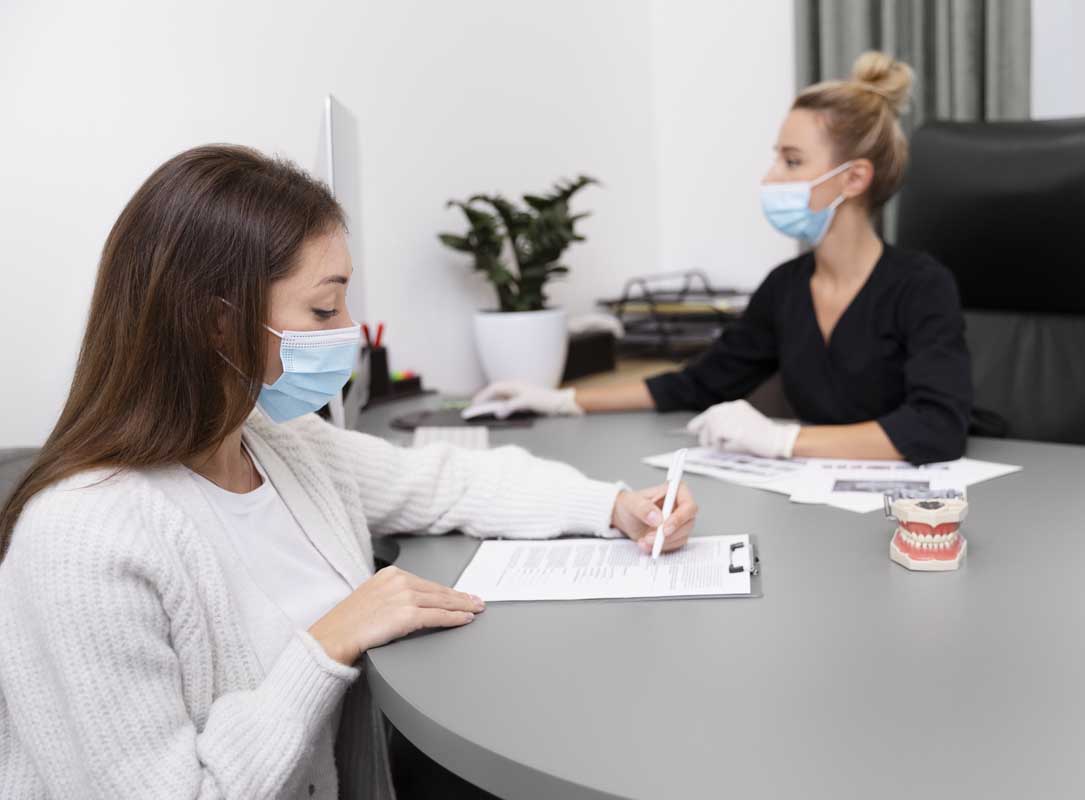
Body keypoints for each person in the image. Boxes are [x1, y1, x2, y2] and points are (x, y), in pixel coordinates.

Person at [0, 145, 697, 799]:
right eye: (324, 307)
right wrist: (332, 639)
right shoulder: (82, 539)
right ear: (219, 325)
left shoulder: (277, 443)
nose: (350, 332)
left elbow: (442, 482)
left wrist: (611, 506)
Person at [472, 51, 973, 467]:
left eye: (793, 161)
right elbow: (697, 383)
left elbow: (937, 429)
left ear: (854, 178)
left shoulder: (922, 286)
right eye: (777, 157)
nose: (771, 176)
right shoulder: (785, 288)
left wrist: (782, 441)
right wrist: (562, 400)